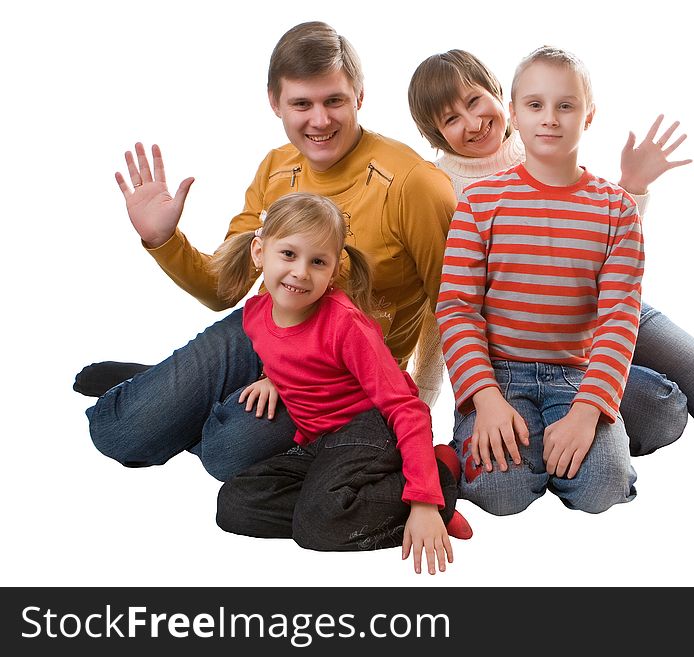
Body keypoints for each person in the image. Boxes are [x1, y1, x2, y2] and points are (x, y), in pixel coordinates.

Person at [83, 21, 457, 482]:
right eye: (301, 103)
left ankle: (179, 394)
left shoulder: (415, 185)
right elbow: (225, 287)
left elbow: (451, 305)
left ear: (359, 96)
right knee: (116, 433)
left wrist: (420, 397)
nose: (319, 121)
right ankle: (174, 395)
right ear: (274, 102)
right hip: (263, 337)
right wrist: (164, 239)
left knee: (227, 453)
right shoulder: (276, 168)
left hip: (336, 376)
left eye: (334, 101)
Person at [407, 49, 694, 461]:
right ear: (436, 133)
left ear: (499, 96)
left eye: (474, 101)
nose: (473, 123)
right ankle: (681, 381)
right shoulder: (441, 189)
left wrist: (631, 186)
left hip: (609, 310)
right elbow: (443, 301)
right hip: (534, 354)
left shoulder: (540, 134)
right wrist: (422, 402)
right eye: (451, 119)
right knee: (659, 406)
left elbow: (606, 236)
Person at [206, 192, 466, 573]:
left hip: (370, 428)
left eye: (318, 262)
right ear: (260, 252)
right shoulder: (254, 315)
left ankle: (438, 487)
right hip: (319, 443)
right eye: (289, 254)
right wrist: (272, 380)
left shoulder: (346, 325)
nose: (300, 272)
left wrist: (424, 503)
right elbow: (290, 352)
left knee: (317, 528)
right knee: (234, 505)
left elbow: (405, 407)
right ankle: (337, 506)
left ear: (333, 270)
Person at [434, 45, 643, 515]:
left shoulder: (617, 210)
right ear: (513, 114)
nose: (550, 118)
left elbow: (619, 318)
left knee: (602, 490)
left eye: (565, 106)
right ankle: (533, 455)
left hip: (576, 376)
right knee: (496, 494)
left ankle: (598, 443)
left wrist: (587, 412)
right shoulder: (480, 202)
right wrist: (485, 400)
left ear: (588, 116)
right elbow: (456, 308)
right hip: (500, 375)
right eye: (535, 105)